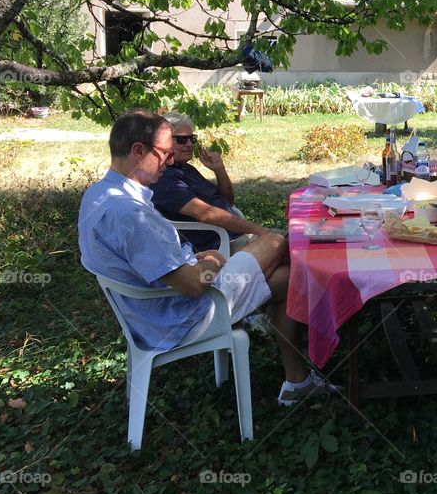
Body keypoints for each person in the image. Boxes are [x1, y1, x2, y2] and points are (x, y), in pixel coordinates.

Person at [79, 108, 337, 406]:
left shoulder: (99, 195)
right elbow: (191, 285)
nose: (172, 160)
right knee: (277, 242)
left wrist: (193, 259)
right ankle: (334, 311)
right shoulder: (130, 214)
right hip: (189, 315)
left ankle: (297, 382)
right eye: (165, 152)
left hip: (154, 312)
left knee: (292, 279)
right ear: (138, 151)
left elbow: (159, 264)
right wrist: (212, 260)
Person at [150, 112, 285, 255]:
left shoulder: (186, 169)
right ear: (163, 141)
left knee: (289, 263)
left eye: (192, 138)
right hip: (216, 246)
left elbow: (227, 201)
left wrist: (220, 170)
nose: (189, 144)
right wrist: (261, 231)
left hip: (234, 236)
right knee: (289, 249)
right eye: (182, 140)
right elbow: (206, 214)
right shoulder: (164, 178)